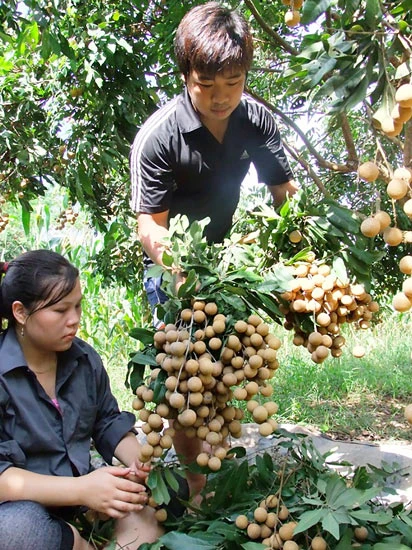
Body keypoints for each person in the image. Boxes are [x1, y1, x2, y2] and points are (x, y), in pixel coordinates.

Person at [129, 2, 298, 498]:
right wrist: (184, 274)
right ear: (186, 74)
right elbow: (150, 229)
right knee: (185, 384)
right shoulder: (159, 137)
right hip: (172, 270)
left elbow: (284, 191)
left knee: (225, 378)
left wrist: (292, 245)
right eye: (207, 83)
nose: (221, 96)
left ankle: (217, 471)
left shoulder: (257, 121)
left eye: (234, 81)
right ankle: (198, 488)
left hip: (225, 265)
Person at [0, 250, 163, 550]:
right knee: (16, 530)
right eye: (61, 311)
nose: (74, 320)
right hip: (22, 510)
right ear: (21, 312)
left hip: (83, 504)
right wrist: (81, 490)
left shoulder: (84, 359)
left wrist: (136, 460)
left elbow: (106, 421)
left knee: (152, 505)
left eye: (78, 306)